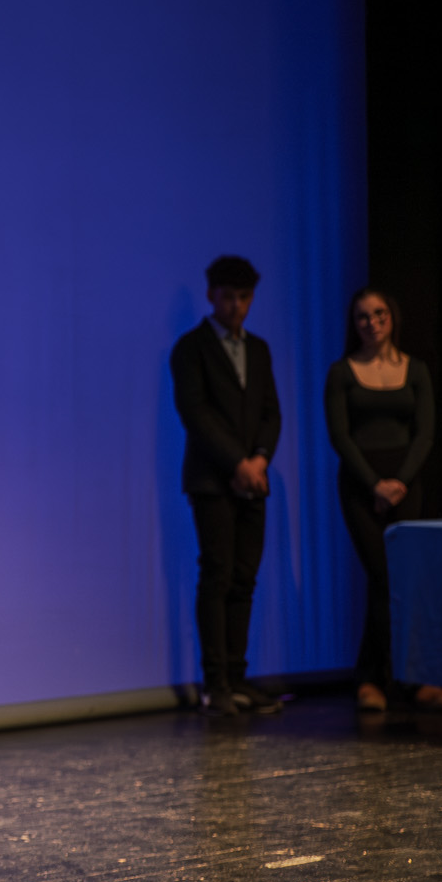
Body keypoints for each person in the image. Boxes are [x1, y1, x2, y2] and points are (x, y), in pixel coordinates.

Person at [170, 256, 284, 716]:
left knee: (244, 579)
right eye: (227, 296)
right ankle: (215, 684)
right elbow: (195, 414)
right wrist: (237, 462)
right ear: (211, 296)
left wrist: (259, 460)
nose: (236, 305)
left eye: (244, 297)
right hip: (212, 480)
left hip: (253, 479)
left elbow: (271, 413)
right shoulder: (190, 347)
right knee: (216, 575)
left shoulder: (259, 349)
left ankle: (238, 679)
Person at [324, 289, 438, 712]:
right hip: (361, 486)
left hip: (406, 485)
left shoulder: (416, 370)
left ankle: (394, 676)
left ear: (392, 317)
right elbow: (340, 436)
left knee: (404, 580)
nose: (371, 323)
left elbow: (424, 433)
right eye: (362, 317)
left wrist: (400, 482)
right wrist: (375, 484)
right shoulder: (342, 372)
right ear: (353, 324)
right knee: (383, 576)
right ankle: (380, 678)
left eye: (378, 314)